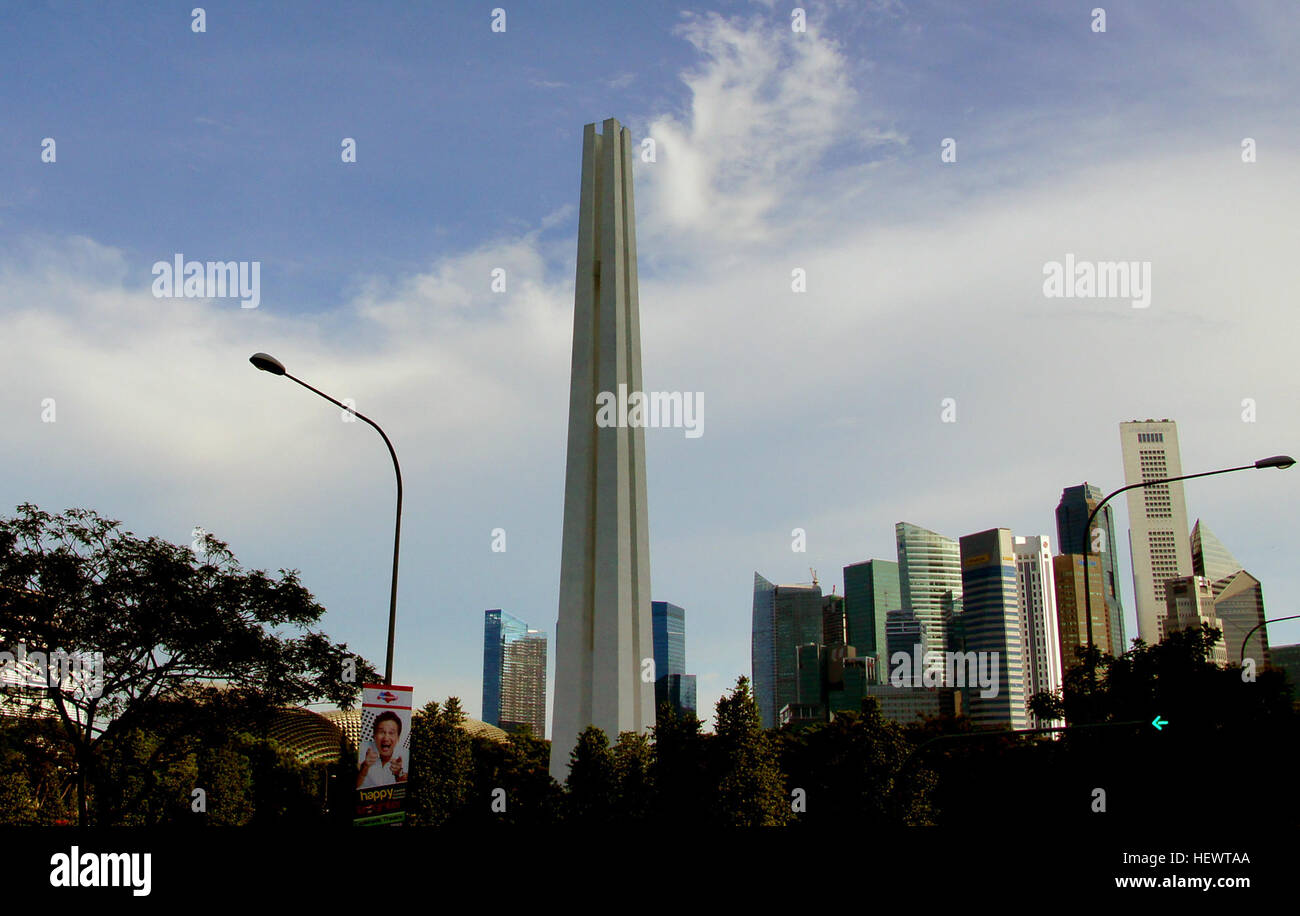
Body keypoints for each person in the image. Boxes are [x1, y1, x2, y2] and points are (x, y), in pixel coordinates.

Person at [356, 711, 407, 788]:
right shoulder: (363, 749)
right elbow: (355, 787)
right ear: (374, 735)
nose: (386, 738)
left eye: (391, 733)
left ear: (398, 737)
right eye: (381, 732)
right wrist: (364, 768)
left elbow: (404, 788)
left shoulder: (405, 755)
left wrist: (399, 773)